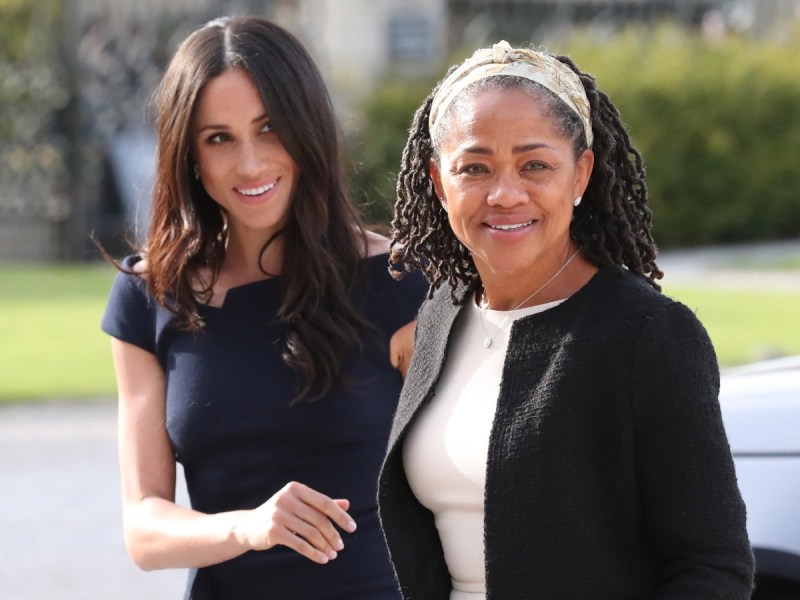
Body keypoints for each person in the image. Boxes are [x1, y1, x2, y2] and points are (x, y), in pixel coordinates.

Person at [378, 41, 754, 599]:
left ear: (580, 174)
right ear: (439, 182)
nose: (505, 193)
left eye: (535, 165)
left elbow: (713, 566)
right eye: (474, 168)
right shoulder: (441, 316)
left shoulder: (648, 335)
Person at [100, 16, 426, 600]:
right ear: (189, 155)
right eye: (219, 137)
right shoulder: (149, 295)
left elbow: (473, 491)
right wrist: (248, 527)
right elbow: (144, 527)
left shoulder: (404, 281)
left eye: (270, 128)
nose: (249, 164)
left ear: (309, 131)